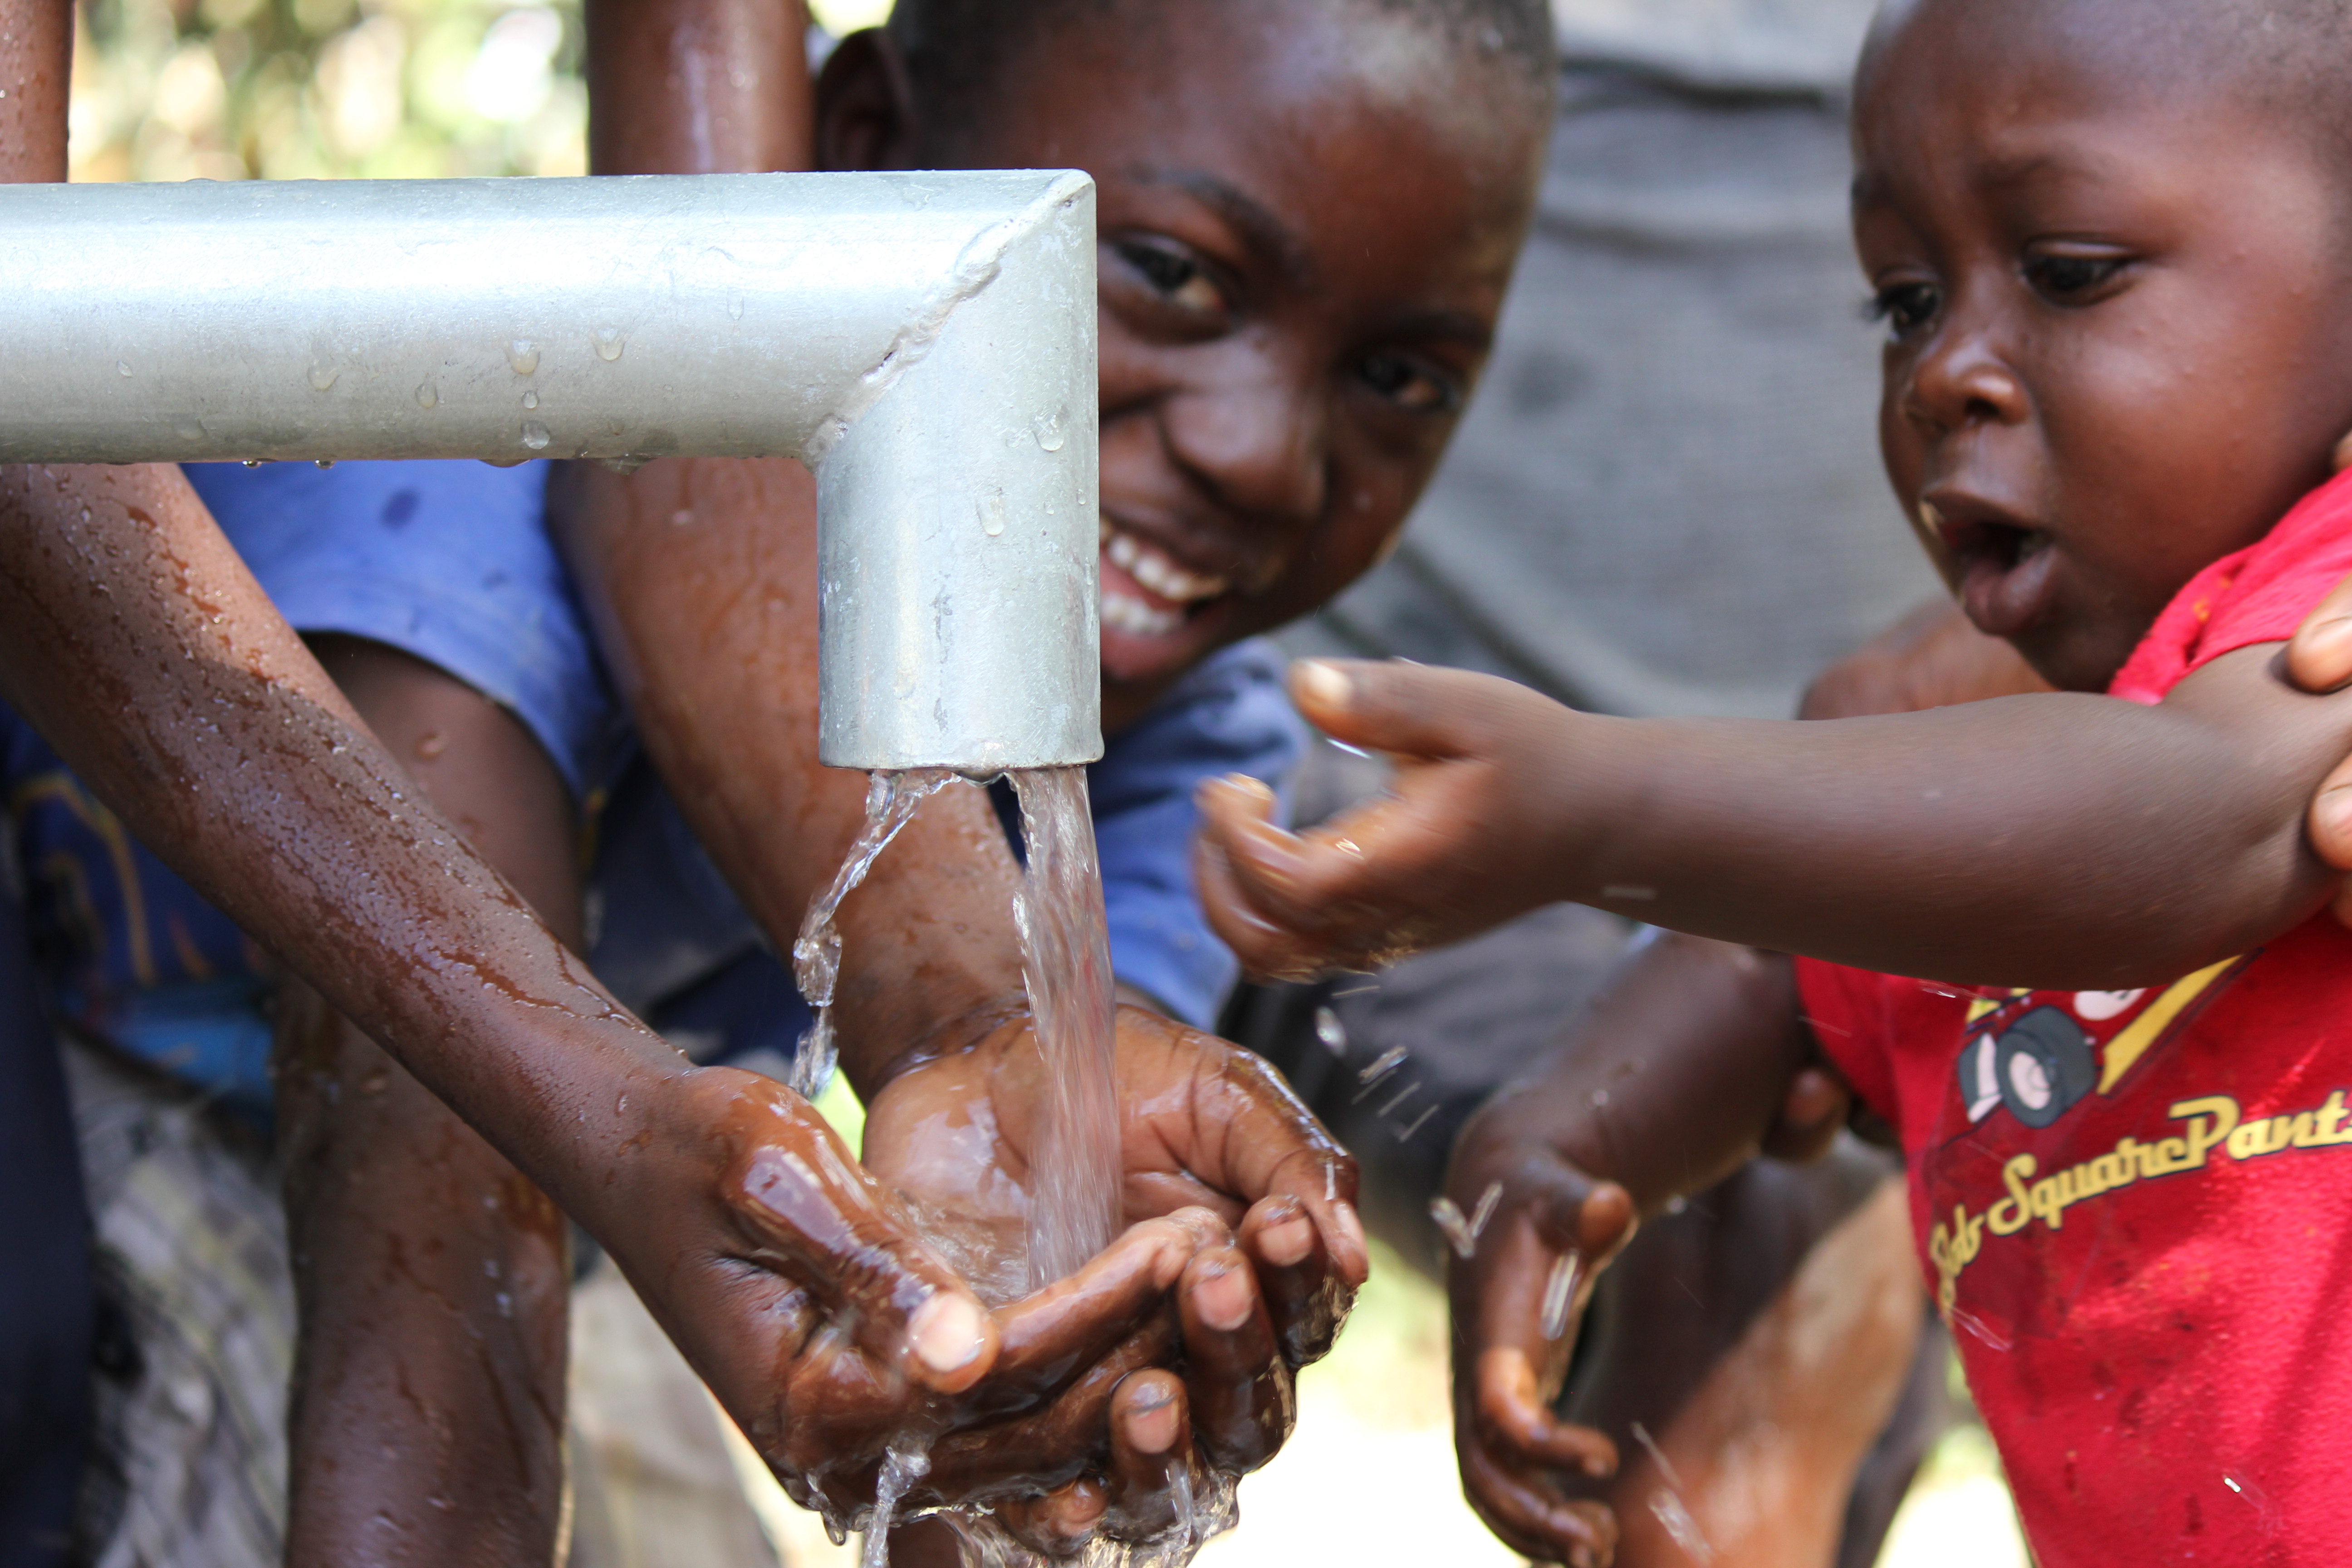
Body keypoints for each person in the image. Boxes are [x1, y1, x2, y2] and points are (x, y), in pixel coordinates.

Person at [0, 5, 1359, 1566]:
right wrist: (628, 1124)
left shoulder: (1194, 753)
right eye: (1173, 275)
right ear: (863, 155)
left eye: (1400, 373)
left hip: (591, 1227)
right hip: (141, 1115)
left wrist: (982, 1049)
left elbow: (978, 1409)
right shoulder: (453, 543)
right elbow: (436, 1290)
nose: (1270, 458)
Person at [1192, 0, 2352, 1559]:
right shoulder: (1994, 746)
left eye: (2069, 274)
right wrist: (1558, 1142)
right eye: (1906, 300)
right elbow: (1778, 965)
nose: (1948, 370)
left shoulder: (2321, 616)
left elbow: (2189, 820)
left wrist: (1592, 808)